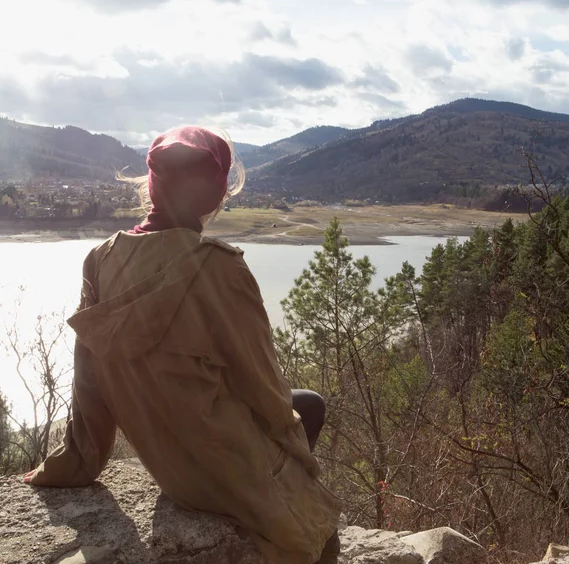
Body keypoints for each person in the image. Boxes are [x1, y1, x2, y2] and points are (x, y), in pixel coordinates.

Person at [24, 126, 341, 564]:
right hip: (222, 470)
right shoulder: (218, 269)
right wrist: (303, 474)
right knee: (321, 532)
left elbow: (89, 387)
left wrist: (70, 465)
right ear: (215, 195)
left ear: (151, 187)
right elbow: (265, 392)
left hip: (169, 467)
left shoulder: (99, 259)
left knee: (307, 402)